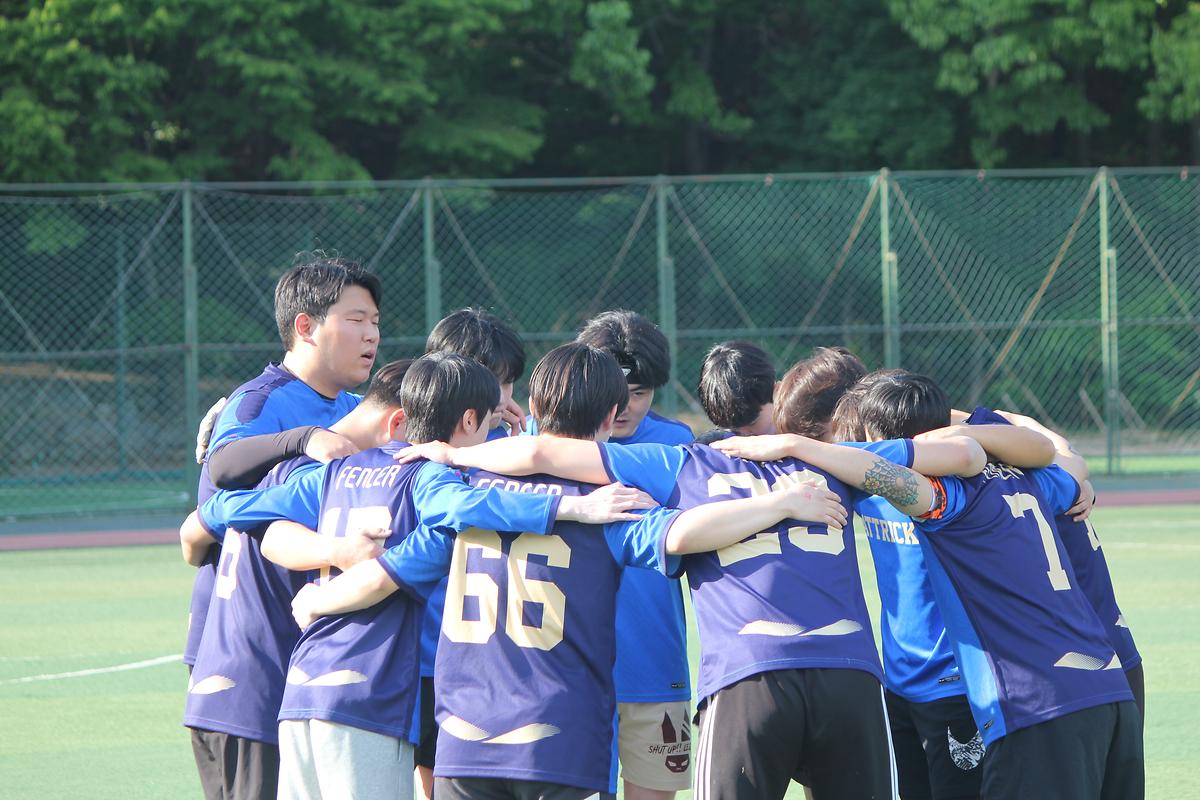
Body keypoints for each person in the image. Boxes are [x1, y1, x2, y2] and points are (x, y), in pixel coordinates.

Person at [304, 343, 846, 800]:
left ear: (533, 406)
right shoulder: (610, 505)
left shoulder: (462, 496)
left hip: (464, 739)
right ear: (612, 417)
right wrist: (779, 503)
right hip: (561, 738)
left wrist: (317, 601)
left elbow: (387, 573)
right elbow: (682, 534)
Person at [396, 405, 988, 800]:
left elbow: (541, 456)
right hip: (849, 672)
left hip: (748, 675)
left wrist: (456, 456)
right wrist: (801, 446)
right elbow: (966, 458)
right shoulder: (827, 461)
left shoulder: (680, 462)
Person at [191, 352, 651, 800]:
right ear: (468, 421)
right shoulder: (432, 480)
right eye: (488, 426)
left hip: (302, 686)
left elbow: (229, 509)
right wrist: (569, 507)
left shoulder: (335, 472)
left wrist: (216, 510)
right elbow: (460, 510)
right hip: (368, 690)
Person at [715, 373, 1144, 800]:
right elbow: (1061, 460)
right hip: (1108, 691)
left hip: (1035, 704)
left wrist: (795, 446)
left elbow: (889, 474)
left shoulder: (951, 501)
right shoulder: (1032, 478)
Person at [182, 254, 381, 794]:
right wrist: (301, 439)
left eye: (375, 322)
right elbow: (223, 467)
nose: (371, 334)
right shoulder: (260, 401)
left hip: (301, 650)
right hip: (244, 656)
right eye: (356, 319)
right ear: (306, 326)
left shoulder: (352, 406)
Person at [179, 359, 412, 800]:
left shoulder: (279, 466)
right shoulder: (318, 465)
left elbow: (195, 530)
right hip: (257, 690)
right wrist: (339, 552)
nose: (371, 335)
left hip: (228, 682)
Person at [574, 310, 695, 799]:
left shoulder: (678, 446)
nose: (622, 406)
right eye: (613, 390)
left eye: (639, 392)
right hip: (571, 670)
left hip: (655, 662)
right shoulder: (541, 441)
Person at [695, 341, 777, 444]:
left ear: (776, 392)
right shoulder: (715, 444)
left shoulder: (795, 431)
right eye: (734, 431)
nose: (744, 438)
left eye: (753, 423)